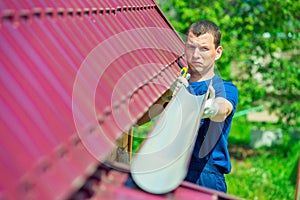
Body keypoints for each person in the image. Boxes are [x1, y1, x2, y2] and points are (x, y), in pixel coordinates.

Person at [137, 20, 238, 193]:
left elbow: (223, 109)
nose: (196, 55)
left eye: (204, 49)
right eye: (191, 47)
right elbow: (139, 120)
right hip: (167, 172)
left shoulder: (224, 88)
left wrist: (211, 108)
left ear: (218, 52)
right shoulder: (175, 83)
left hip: (205, 176)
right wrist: (168, 94)